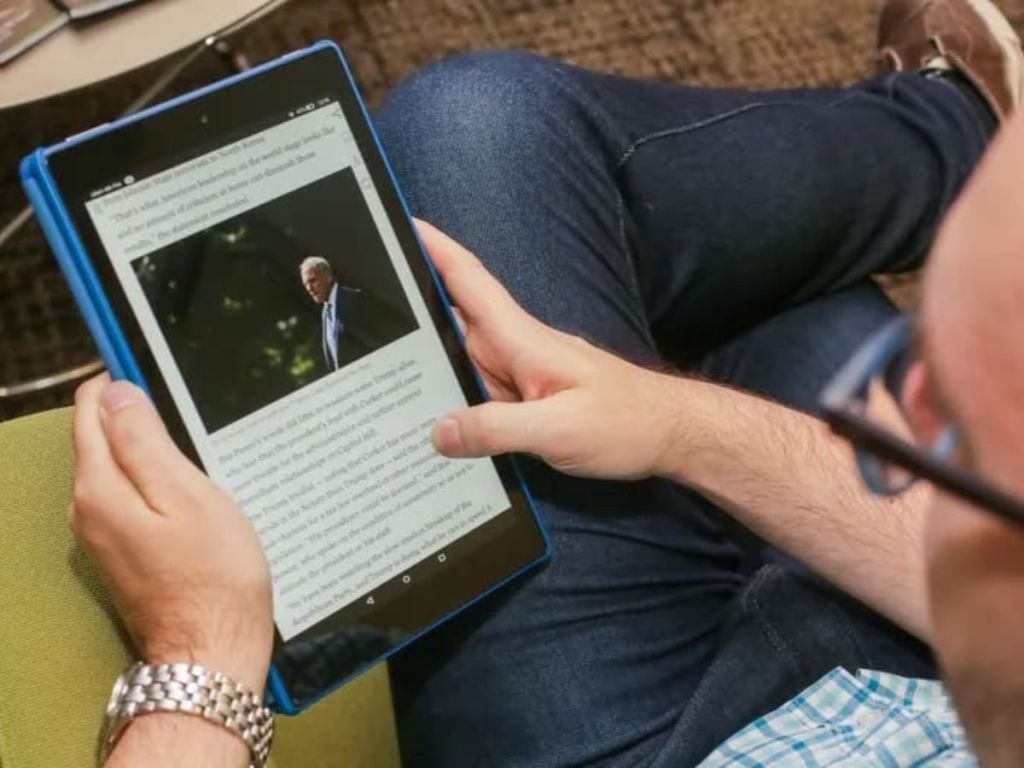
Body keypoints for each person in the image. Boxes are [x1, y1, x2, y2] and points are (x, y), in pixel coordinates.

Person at [67, 0, 1024, 764]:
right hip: (945, 664)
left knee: (476, 125)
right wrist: (677, 426)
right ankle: (962, 135)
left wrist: (202, 657)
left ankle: (951, 129)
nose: (920, 407)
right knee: (783, 301)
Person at [299, 255, 359, 372]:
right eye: (305, 284)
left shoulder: (354, 299)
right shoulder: (325, 313)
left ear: (328, 276)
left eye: (312, 280)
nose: (309, 288)